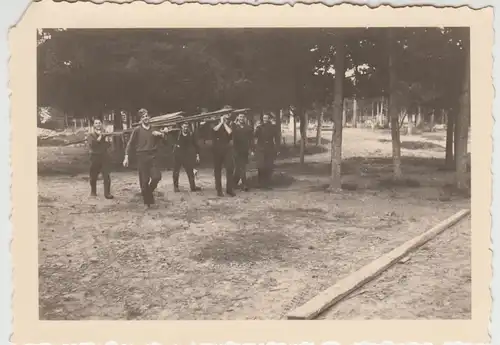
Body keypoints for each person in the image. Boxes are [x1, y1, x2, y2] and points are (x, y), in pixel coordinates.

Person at [123, 108, 166, 208]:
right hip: (142, 157)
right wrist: (126, 156)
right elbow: (130, 144)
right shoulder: (137, 130)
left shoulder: (154, 129)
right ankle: (147, 202)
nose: (146, 118)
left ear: (149, 117)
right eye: (143, 117)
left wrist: (162, 134)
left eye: (147, 116)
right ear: (140, 119)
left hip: (153, 156)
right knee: (144, 181)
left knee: (157, 177)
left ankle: (148, 193)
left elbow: (165, 142)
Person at [169, 122, 202, 193]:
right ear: (181, 127)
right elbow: (169, 138)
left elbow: (196, 144)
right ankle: (176, 187)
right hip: (178, 155)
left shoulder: (190, 134)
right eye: (184, 127)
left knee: (190, 171)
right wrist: (174, 145)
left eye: (187, 127)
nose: (185, 128)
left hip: (186, 155)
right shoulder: (177, 133)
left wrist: (197, 154)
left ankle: (193, 187)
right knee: (176, 171)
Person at [87, 118, 114, 199]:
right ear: (94, 125)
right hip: (95, 157)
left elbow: (108, 145)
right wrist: (101, 136)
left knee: (106, 175)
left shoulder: (104, 133)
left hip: (104, 156)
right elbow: (93, 145)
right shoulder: (90, 135)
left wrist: (108, 138)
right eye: (96, 123)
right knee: (93, 175)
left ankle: (107, 193)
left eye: (99, 123)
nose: (98, 124)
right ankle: (93, 191)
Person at [254, 113, 280, 189]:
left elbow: (277, 138)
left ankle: (267, 184)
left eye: (267, 118)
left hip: (270, 148)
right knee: (260, 166)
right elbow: (255, 135)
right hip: (260, 148)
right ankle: (260, 183)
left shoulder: (273, 127)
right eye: (264, 118)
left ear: (269, 119)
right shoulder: (259, 127)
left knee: (268, 166)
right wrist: (256, 128)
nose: (265, 119)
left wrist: (277, 149)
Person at [212, 113, 235, 197]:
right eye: (225, 115)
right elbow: (214, 130)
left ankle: (229, 189)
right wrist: (221, 122)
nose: (227, 116)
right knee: (217, 170)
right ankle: (219, 190)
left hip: (226, 149)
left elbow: (230, 132)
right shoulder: (214, 122)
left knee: (229, 168)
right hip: (217, 149)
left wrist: (224, 123)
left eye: (228, 115)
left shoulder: (230, 124)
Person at [231, 113, 254, 191]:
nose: (241, 118)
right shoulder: (234, 126)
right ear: (238, 117)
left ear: (245, 118)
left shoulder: (248, 128)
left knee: (240, 167)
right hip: (236, 150)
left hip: (244, 150)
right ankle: (244, 184)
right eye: (240, 117)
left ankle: (233, 184)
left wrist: (251, 149)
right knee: (240, 167)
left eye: (243, 117)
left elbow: (251, 139)